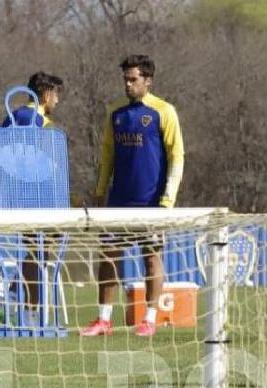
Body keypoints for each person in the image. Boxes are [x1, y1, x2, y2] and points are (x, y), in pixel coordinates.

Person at [80, 55, 184, 337]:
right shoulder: (115, 112)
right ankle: (104, 319)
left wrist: (167, 200)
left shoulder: (164, 111)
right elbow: (107, 155)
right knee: (110, 256)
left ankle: (149, 318)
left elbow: (177, 157)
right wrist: (101, 192)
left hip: (151, 203)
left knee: (151, 257)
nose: (128, 84)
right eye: (125, 79)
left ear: (147, 81)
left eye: (133, 79)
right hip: (118, 202)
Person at [0, 71, 64, 327]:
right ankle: (25, 307)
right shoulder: (42, 124)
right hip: (39, 199)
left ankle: (16, 299)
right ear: (46, 94)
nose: (57, 101)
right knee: (40, 252)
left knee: (35, 251)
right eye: (56, 95)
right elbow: (51, 168)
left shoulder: (10, 118)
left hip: (13, 196)